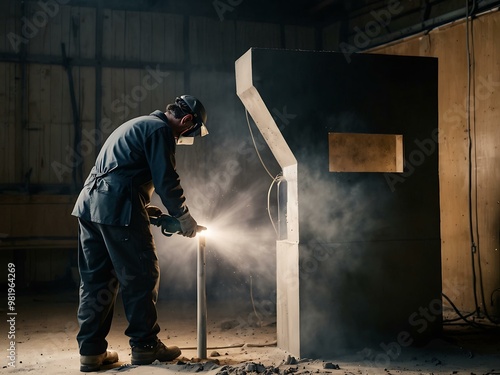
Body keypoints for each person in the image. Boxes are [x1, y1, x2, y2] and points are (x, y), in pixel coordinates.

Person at [71, 95, 208, 372]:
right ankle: (145, 347)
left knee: (97, 280)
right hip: (117, 205)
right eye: (187, 133)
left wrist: (145, 209)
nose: (183, 138)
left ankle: (91, 352)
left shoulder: (137, 124)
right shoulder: (161, 130)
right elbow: (166, 180)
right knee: (141, 272)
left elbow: (120, 172)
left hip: (90, 205)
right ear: (187, 121)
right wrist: (184, 217)